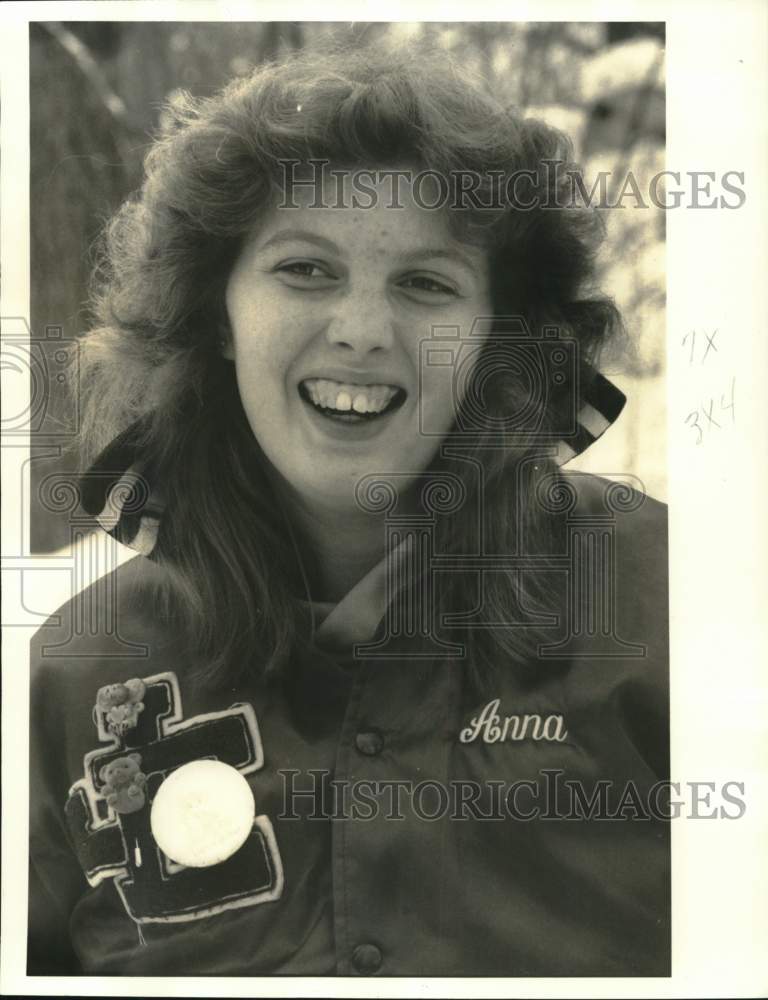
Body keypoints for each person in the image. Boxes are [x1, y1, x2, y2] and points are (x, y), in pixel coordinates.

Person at [28, 46, 669, 977]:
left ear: (500, 337)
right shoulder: (77, 675)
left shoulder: (672, 613)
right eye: (305, 270)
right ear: (217, 312)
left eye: (426, 284)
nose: (363, 329)